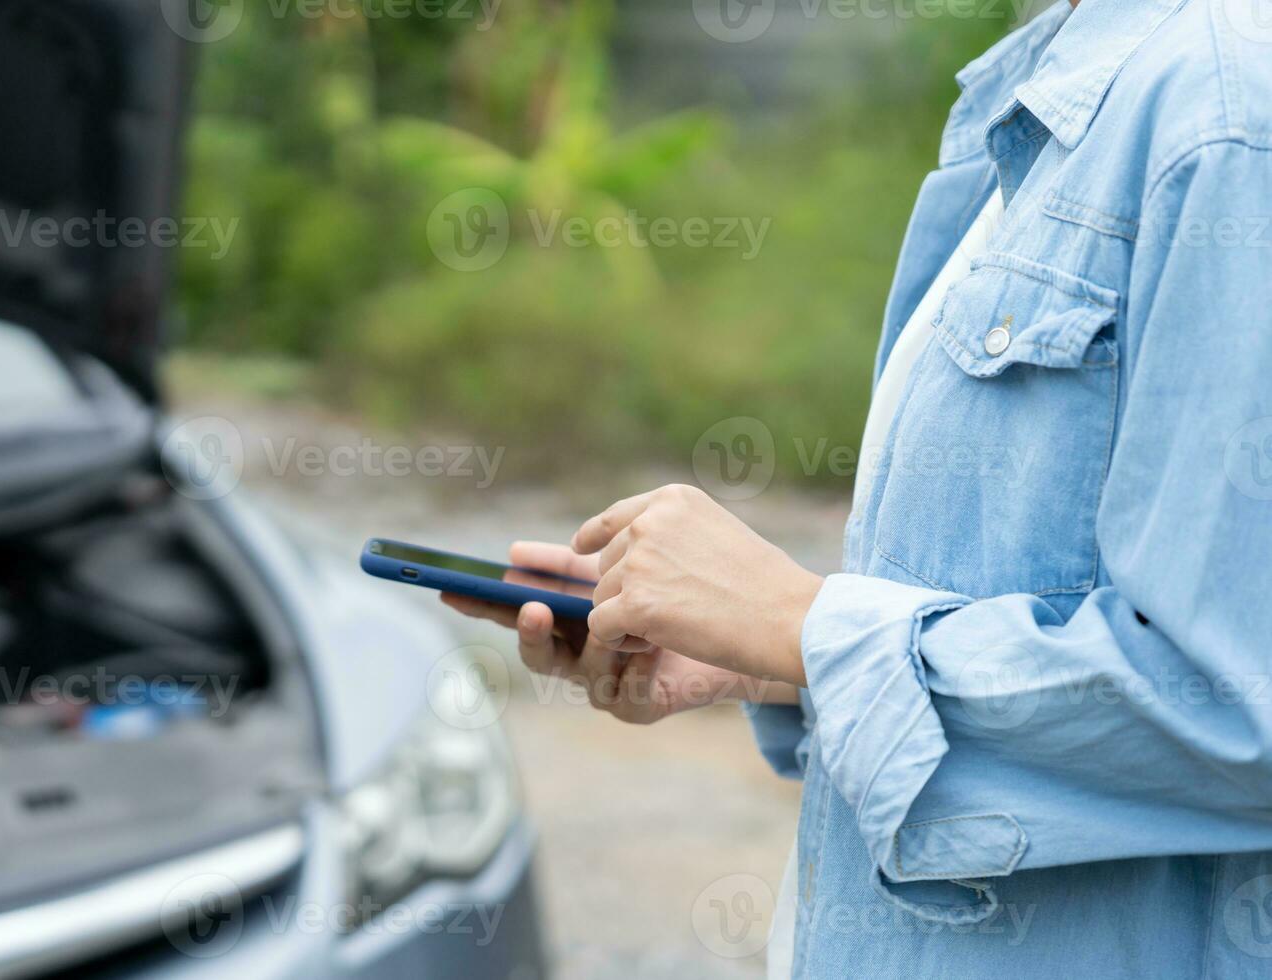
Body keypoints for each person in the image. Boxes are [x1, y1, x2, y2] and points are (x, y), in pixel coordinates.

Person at [445, 0, 1272, 975]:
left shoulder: (1226, 112)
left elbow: (1233, 703)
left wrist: (806, 623)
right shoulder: (1052, 98)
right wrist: (765, 655)